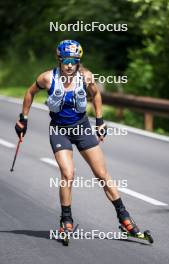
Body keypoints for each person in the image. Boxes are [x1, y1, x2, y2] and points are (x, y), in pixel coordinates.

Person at [15, 40, 140, 236]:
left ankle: (124, 217)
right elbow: (30, 93)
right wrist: (23, 118)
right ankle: (66, 219)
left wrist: (99, 121)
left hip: (82, 128)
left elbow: (96, 95)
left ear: (79, 61)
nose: (70, 65)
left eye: (74, 61)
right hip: (59, 130)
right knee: (68, 175)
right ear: (59, 59)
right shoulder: (47, 78)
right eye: (66, 61)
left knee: (101, 174)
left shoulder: (86, 77)